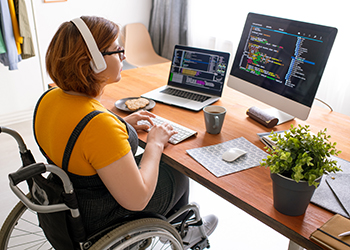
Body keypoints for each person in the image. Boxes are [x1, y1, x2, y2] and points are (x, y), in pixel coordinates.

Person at [34, 15, 217, 248]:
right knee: (177, 169)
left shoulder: (50, 98)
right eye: (117, 50)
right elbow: (138, 200)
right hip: (98, 217)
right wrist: (155, 144)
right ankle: (187, 232)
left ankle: (184, 229)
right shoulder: (99, 125)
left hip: (70, 199)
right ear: (94, 62)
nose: (124, 56)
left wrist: (122, 125)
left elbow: (80, 139)